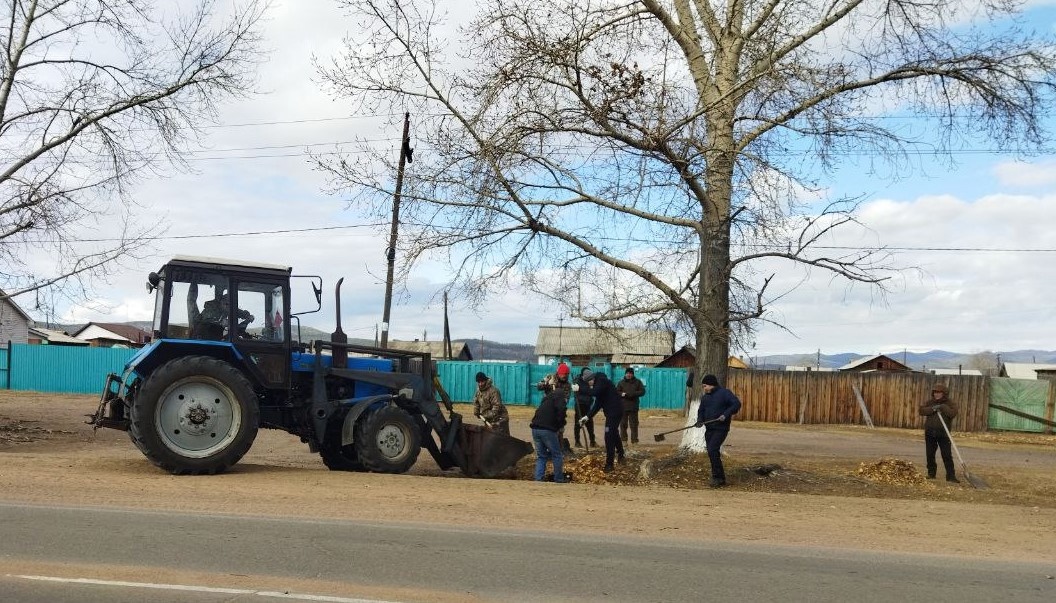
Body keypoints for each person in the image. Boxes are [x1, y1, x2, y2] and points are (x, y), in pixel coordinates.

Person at [694, 374, 742, 488]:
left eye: (705, 386)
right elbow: (701, 411)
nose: (704, 388)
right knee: (712, 453)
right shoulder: (705, 397)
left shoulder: (725, 393)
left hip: (721, 428)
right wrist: (700, 421)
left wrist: (725, 415)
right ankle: (720, 478)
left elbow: (736, 404)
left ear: (711, 384)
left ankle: (717, 478)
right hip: (709, 428)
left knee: (712, 450)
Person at [581, 370, 624, 472]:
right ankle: (621, 454)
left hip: (615, 411)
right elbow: (597, 405)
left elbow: (593, 392)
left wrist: (580, 389)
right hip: (612, 412)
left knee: (608, 436)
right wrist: (587, 417)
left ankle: (609, 465)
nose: (589, 385)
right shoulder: (599, 387)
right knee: (613, 433)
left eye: (588, 382)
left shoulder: (602, 381)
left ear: (591, 379)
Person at [919, 383, 959, 483]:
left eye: (939, 393)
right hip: (930, 432)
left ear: (944, 394)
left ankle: (951, 476)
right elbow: (921, 411)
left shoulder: (950, 403)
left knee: (946, 455)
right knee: (930, 454)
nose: (936, 394)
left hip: (943, 433)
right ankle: (931, 474)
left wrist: (943, 407)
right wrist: (933, 408)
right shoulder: (930, 402)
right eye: (935, 392)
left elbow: (952, 413)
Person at [529, 386, 568, 482]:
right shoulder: (559, 400)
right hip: (547, 430)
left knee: (541, 456)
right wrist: (561, 425)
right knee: (557, 454)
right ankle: (559, 479)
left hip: (535, 428)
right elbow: (561, 413)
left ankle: (538, 478)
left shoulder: (546, 400)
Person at [537, 362, 573, 451]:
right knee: (546, 430)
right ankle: (545, 450)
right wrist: (547, 384)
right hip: (546, 410)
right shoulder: (550, 377)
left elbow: (565, 400)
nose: (564, 376)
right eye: (563, 374)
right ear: (558, 373)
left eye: (566, 375)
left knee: (559, 431)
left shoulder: (567, 385)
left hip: (558, 411)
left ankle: (559, 451)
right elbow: (538, 387)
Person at [473, 371, 510, 436]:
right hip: (488, 420)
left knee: (503, 440)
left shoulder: (494, 391)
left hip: (500, 419)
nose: (480, 384)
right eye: (479, 382)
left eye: (482, 381)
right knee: (489, 439)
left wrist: (485, 415)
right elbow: (476, 402)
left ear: (486, 380)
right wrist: (476, 411)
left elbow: (496, 407)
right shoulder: (478, 391)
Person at [616, 367, 646, 444]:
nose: (629, 375)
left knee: (634, 424)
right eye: (627, 373)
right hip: (623, 407)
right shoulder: (621, 382)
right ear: (625, 374)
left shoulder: (638, 382)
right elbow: (616, 392)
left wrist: (633, 393)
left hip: (633, 407)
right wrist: (622, 394)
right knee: (623, 424)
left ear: (633, 374)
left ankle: (634, 441)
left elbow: (642, 392)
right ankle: (624, 441)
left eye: (630, 373)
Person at [572, 367, 596, 447]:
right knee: (578, 423)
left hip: (588, 405)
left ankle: (592, 441)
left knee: (590, 424)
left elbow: (589, 391)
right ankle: (577, 442)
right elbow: (578, 391)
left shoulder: (588, 381)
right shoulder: (577, 381)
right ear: (583, 376)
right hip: (580, 405)